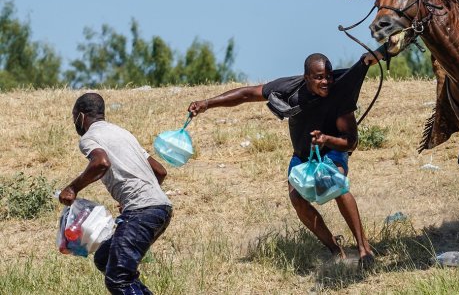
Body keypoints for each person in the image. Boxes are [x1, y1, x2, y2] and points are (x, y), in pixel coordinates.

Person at [187, 52, 382, 267]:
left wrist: (326, 139)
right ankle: (336, 250)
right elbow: (246, 94)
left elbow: (351, 142)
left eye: (328, 76)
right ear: (306, 77)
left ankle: (364, 249)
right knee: (297, 200)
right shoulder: (289, 88)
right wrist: (207, 103)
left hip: (332, 151)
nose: (325, 82)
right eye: (318, 77)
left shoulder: (340, 94)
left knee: (335, 184)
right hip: (302, 156)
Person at [59, 92, 172, 295]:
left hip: (142, 211)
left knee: (118, 280)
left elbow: (100, 163)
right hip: (161, 208)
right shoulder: (123, 133)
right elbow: (160, 171)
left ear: (81, 116)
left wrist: (72, 188)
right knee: (105, 258)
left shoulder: (90, 137)